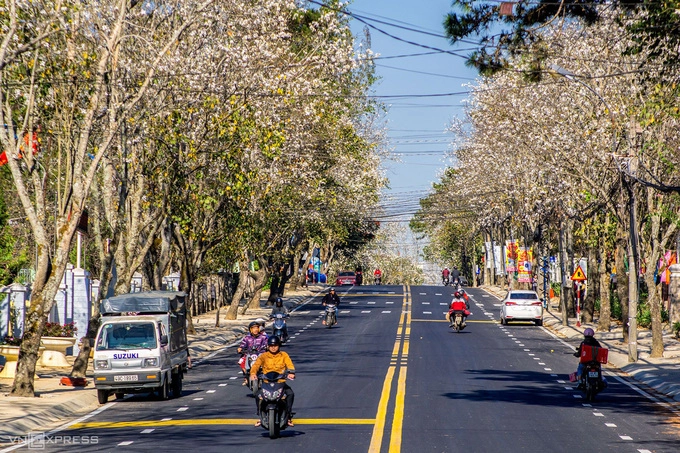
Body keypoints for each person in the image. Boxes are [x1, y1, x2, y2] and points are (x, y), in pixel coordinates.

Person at [251, 336, 296, 427]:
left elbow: (290, 364)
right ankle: (260, 415)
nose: (273, 347)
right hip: (266, 382)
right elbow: (256, 365)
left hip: (280, 382)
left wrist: (291, 372)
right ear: (268, 346)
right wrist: (253, 373)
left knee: (290, 394)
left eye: (275, 345)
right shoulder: (263, 356)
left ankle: (288, 416)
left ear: (279, 345)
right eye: (271, 345)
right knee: (257, 395)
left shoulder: (284, 355)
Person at [237, 321, 269, 385]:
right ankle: (246, 377)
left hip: (261, 354)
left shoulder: (263, 337)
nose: (255, 330)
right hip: (249, 354)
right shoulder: (247, 338)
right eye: (253, 328)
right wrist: (240, 349)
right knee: (241, 361)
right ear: (250, 330)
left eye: (257, 328)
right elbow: (242, 345)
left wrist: (267, 347)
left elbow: (267, 344)